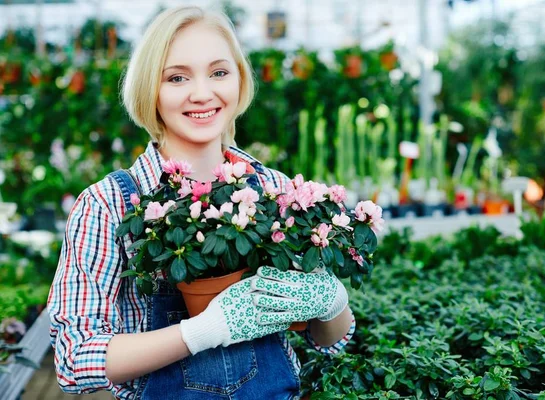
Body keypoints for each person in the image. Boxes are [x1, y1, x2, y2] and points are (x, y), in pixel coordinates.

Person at [47, 6, 355, 400]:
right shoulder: (109, 205)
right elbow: (74, 358)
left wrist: (332, 302)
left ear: (239, 81)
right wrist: (203, 332)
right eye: (177, 77)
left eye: (219, 73)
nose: (202, 93)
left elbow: (330, 341)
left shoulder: (276, 192)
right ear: (150, 90)